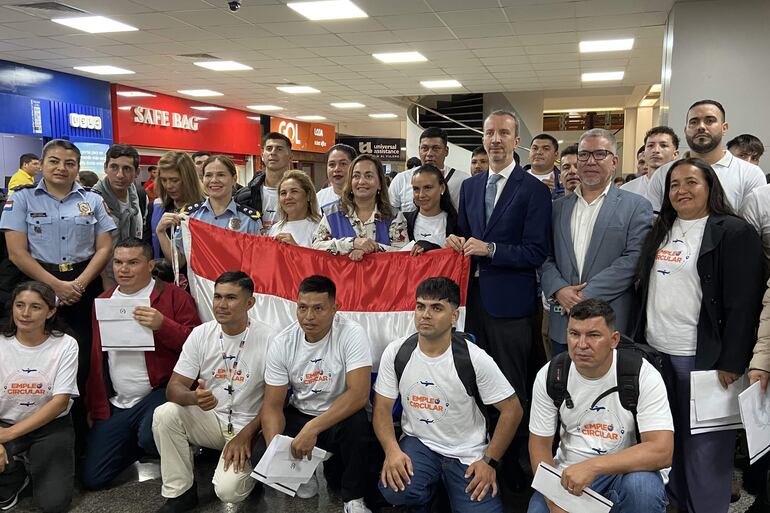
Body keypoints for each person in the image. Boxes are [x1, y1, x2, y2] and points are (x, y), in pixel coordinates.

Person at [633, 158, 764, 513]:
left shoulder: (733, 232)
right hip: (657, 358)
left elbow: (745, 304)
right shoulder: (660, 229)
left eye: (691, 182)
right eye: (674, 184)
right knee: (667, 445)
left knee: (706, 455)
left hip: (707, 362)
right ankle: (674, 505)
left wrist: (733, 360)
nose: (681, 191)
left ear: (710, 188)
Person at [374, 277, 522, 513]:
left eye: (436, 308)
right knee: (395, 489)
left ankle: (448, 493)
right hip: (420, 444)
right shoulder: (397, 352)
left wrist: (489, 461)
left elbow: (512, 410)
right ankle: (427, 500)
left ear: (454, 317)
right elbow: (381, 408)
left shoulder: (475, 358)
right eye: (420, 306)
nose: (425, 314)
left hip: (467, 453)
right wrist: (392, 451)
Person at [528, 299, 673, 513]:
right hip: (569, 475)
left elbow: (662, 451)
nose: (582, 344)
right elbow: (539, 444)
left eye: (593, 335)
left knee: (644, 488)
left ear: (614, 340)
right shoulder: (552, 374)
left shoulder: (641, 374)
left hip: (624, 474)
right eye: (574, 334)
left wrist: (593, 467)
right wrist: (554, 497)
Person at [448, 109, 551, 409]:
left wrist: (491, 249)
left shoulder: (533, 190)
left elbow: (536, 251)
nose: (495, 139)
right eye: (490, 133)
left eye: (503, 133)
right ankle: (483, 445)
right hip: (472, 303)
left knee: (510, 385)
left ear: (516, 140)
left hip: (511, 307)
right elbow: (466, 235)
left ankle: (512, 453)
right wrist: (454, 240)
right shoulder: (470, 187)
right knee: (475, 381)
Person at [0, 139, 115, 403]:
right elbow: (17, 253)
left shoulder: (93, 200)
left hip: (84, 284)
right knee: (37, 353)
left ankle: (80, 420)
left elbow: (104, 248)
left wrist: (78, 284)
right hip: (36, 285)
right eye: (54, 161)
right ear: (41, 165)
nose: (61, 168)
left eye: (69, 163)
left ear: (77, 168)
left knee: (85, 352)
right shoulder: (21, 199)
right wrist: (57, 286)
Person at [82, 238, 200, 490]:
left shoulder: (174, 296)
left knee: (151, 435)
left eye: (133, 262)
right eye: (118, 262)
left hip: (161, 392)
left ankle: (166, 443)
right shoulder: (103, 301)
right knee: (94, 478)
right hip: (119, 402)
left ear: (150, 265)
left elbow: (198, 345)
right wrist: (95, 404)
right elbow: (96, 358)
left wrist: (163, 326)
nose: (123, 269)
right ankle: (136, 439)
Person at [152, 271, 273, 512]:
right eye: (217, 297)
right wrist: (193, 397)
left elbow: (275, 403)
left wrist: (246, 435)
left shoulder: (271, 338)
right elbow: (174, 389)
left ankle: (255, 473)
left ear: (250, 303)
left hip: (249, 427)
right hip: (212, 420)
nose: (221, 304)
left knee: (228, 493)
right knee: (165, 413)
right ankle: (181, 493)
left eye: (231, 298)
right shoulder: (201, 334)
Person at [254, 275, 373, 513]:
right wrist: (278, 451)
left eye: (318, 308)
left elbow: (359, 394)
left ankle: (354, 499)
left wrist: (312, 429)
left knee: (358, 426)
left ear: (334, 308)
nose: (308, 317)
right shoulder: (283, 342)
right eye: (302, 308)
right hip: (301, 412)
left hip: (340, 414)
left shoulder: (351, 333)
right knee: (260, 454)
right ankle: (301, 475)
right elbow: (272, 405)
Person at [540, 129, 653, 357]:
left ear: (614, 162)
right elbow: (544, 255)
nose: (590, 161)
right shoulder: (557, 208)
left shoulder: (636, 206)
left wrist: (582, 297)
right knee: (564, 388)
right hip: (564, 323)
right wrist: (559, 289)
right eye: (584, 154)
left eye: (600, 154)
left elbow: (633, 260)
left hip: (610, 322)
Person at [0, 281, 79, 513]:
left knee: (53, 504)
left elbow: (59, 403)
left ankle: (24, 465)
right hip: (4, 422)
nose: (25, 314)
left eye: (35, 307)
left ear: (51, 311)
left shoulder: (66, 344)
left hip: (50, 426)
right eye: (19, 305)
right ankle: (14, 476)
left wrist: (5, 437)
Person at [646, 100, 766, 213]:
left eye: (709, 121)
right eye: (694, 122)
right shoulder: (663, 174)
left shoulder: (750, 174)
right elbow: (654, 221)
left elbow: (750, 227)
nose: (701, 127)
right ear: (685, 129)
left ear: (724, 128)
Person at [157, 155, 261, 268]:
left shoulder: (250, 220)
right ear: (203, 179)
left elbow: (258, 265)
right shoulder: (190, 216)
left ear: (234, 179)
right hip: (199, 285)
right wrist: (161, 232)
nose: (214, 180)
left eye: (221, 175)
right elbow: (179, 261)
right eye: (208, 175)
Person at [313, 154, 408, 259]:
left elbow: (403, 254)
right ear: (350, 182)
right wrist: (351, 244)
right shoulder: (331, 213)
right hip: (340, 275)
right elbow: (316, 247)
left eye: (368, 176)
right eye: (356, 176)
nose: (362, 181)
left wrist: (371, 248)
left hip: (382, 275)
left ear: (380, 183)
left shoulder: (394, 216)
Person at [93, 144, 146, 287]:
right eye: (114, 167)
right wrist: (105, 281)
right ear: (105, 167)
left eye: (127, 169)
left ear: (137, 172)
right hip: (103, 280)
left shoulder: (139, 196)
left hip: (135, 278)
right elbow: (90, 247)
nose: (120, 175)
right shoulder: (93, 200)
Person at [389, 127, 470, 213]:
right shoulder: (402, 179)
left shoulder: (462, 180)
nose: (429, 154)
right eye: (425, 148)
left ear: (446, 151)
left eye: (436, 148)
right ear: (419, 150)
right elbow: (391, 213)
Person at [148, 151, 206, 260]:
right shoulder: (155, 207)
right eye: (164, 180)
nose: (168, 186)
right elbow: (148, 248)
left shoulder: (205, 210)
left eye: (175, 180)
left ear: (188, 179)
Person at [234, 132, 293, 234]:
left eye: (279, 149)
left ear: (290, 156)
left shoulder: (302, 194)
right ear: (262, 155)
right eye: (269, 148)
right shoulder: (243, 196)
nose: (273, 153)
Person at [404, 164, 459, 255]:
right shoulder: (403, 221)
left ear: (442, 188)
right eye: (416, 189)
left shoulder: (457, 223)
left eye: (428, 188)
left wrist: (431, 247)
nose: (421, 195)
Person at [623, 126, 680, 198]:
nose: (656, 150)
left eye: (663, 145)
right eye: (650, 145)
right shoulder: (627, 191)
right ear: (644, 154)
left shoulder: (683, 189)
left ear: (675, 154)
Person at [269, 170, 321, 248]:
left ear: (308, 195)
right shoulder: (275, 229)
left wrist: (296, 249)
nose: (288, 197)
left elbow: (322, 259)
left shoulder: (319, 227)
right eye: (283, 193)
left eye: (294, 191)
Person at [317, 144, 357, 211]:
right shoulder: (318, 198)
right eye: (332, 164)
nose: (337, 169)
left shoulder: (363, 197)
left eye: (343, 164)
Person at [524, 134, 564, 198]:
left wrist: (555, 195)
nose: (539, 152)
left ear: (556, 155)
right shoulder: (513, 179)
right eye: (535, 148)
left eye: (546, 149)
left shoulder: (565, 182)